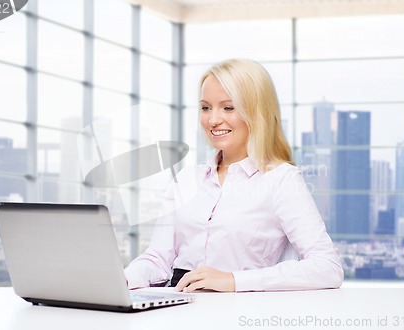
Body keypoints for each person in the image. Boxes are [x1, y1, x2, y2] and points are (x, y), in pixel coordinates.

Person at [124, 59, 344, 292]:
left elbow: (327, 267)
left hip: (239, 308)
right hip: (178, 302)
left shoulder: (281, 179)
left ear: (257, 113)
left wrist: (233, 280)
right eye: (206, 107)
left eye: (228, 107)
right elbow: (158, 258)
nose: (212, 120)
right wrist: (124, 278)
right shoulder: (188, 178)